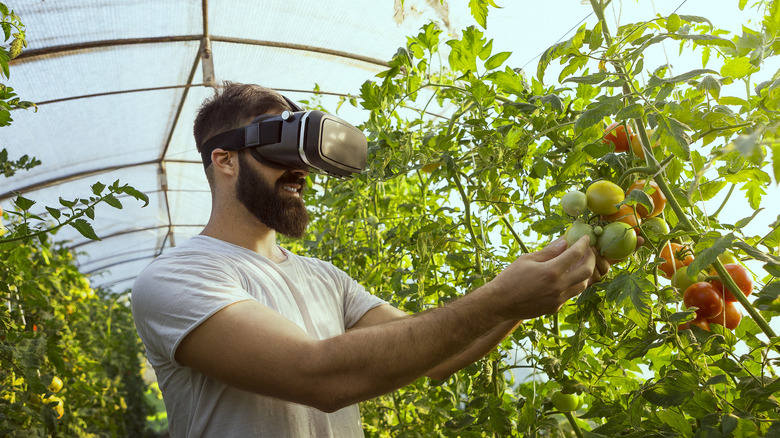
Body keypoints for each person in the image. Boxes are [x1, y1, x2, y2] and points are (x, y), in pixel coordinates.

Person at [131, 82, 610, 437]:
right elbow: (318, 376)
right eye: (281, 148)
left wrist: (543, 281)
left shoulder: (326, 278)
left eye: (305, 155)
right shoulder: (176, 278)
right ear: (225, 160)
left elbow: (441, 357)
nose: (299, 170)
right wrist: (499, 298)